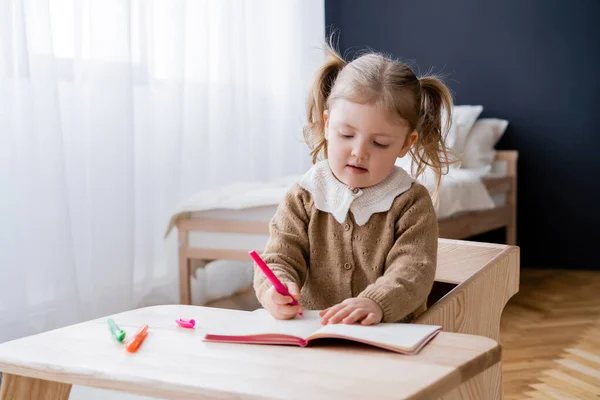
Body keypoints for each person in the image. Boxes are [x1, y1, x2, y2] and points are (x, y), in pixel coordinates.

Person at [253, 42, 455, 326]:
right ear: (326, 123)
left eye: (379, 143)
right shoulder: (304, 196)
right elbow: (278, 257)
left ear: (406, 144)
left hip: (389, 339)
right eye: (346, 134)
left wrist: (377, 302)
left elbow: (413, 270)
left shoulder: (410, 202)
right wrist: (275, 288)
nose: (359, 152)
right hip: (314, 338)